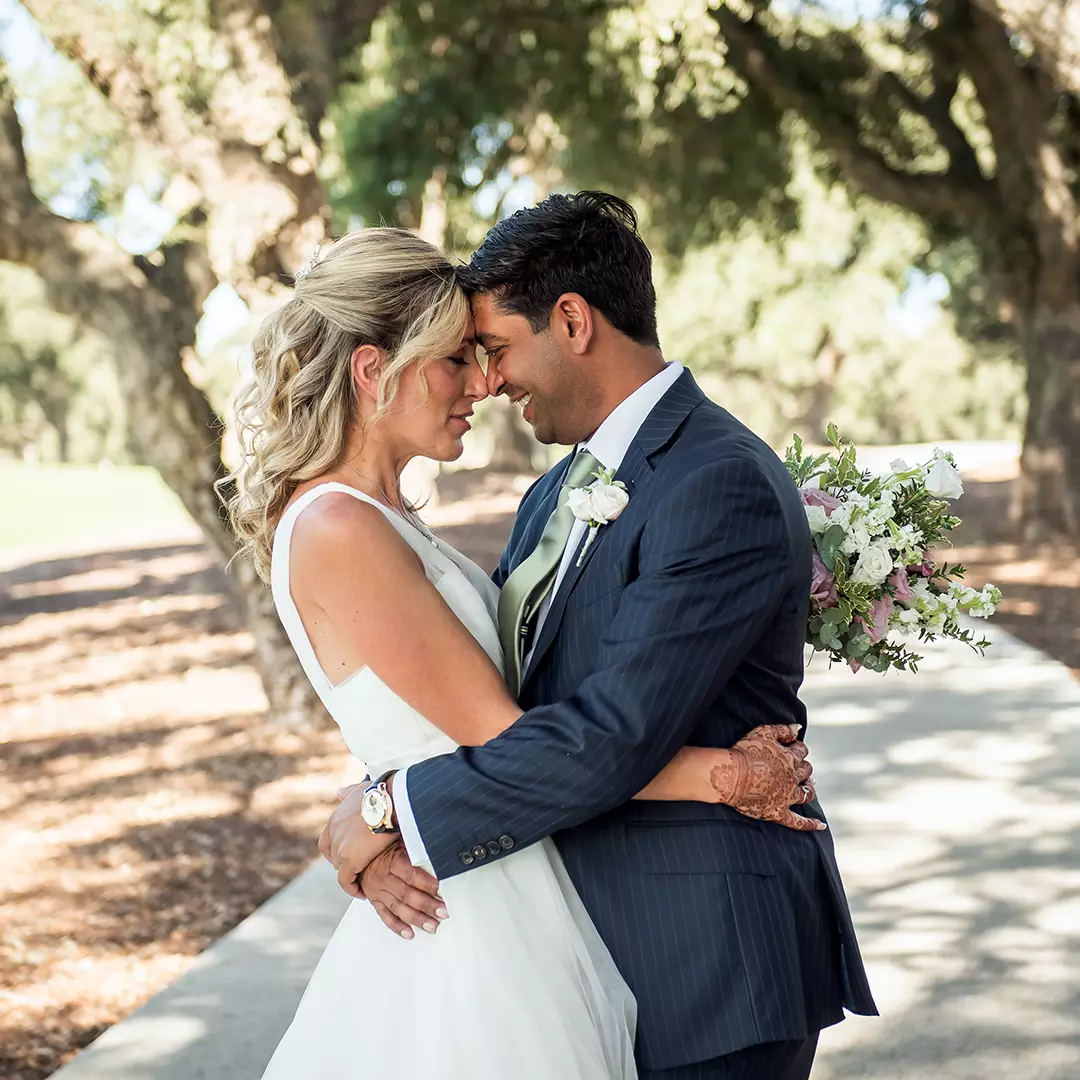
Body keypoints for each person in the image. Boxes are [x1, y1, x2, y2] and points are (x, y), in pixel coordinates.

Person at [221, 224, 820, 1080]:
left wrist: (384, 808)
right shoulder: (343, 527)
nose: (483, 382)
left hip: (605, 912)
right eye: (457, 359)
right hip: (474, 914)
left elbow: (522, 710)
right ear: (370, 372)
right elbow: (506, 732)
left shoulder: (400, 518)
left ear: (573, 322)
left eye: (486, 352)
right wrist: (715, 773)